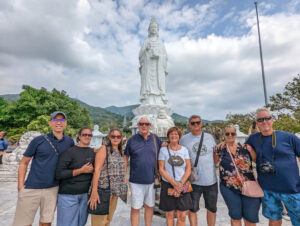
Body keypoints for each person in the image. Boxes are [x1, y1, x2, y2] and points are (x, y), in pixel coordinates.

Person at [12, 111, 74, 226]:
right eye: (55, 120)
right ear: (50, 123)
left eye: (61, 120)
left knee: (46, 222)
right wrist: (20, 185)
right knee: (23, 223)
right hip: (32, 187)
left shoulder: (69, 142)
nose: (58, 123)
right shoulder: (38, 140)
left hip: (53, 188)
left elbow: (77, 155)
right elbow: (24, 163)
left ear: (65, 123)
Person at [246, 107, 300, 226]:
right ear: (257, 123)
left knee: (298, 220)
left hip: (291, 188)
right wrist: (226, 142)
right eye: (260, 120)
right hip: (267, 189)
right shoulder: (253, 139)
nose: (264, 122)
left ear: (272, 120)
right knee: (274, 219)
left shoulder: (289, 137)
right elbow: (238, 150)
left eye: (267, 118)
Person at [214, 124, 261, 226]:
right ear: (224, 135)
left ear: (236, 134)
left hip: (249, 185)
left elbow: (256, 159)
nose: (230, 135)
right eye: (227, 133)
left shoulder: (245, 147)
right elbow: (214, 162)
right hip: (229, 187)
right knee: (235, 216)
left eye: (232, 133)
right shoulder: (220, 149)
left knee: (250, 218)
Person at [179, 115, 218, 226]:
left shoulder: (210, 137)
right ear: (189, 125)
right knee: (192, 209)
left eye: (198, 122)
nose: (195, 124)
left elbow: (215, 155)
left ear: (201, 123)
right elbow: (177, 152)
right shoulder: (184, 139)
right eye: (193, 123)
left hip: (211, 180)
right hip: (192, 181)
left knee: (212, 208)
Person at [124, 115, 162, 226]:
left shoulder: (156, 139)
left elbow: (163, 153)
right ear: (138, 126)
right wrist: (123, 176)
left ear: (150, 126)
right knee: (135, 208)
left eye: (146, 124)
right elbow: (125, 157)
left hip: (152, 180)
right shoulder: (132, 140)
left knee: (149, 206)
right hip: (136, 181)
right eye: (141, 124)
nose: (144, 126)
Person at [55, 127, 95, 226]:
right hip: (68, 195)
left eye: (89, 135)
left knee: (81, 223)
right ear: (79, 136)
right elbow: (59, 174)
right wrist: (81, 170)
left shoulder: (93, 152)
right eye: (84, 134)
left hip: (85, 195)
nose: (87, 137)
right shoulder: (69, 152)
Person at [88, 128, 127, 226]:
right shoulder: (104, 149)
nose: (115, 138)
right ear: (109, 137)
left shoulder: (119, 151)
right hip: (103, 190)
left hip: (114, 192)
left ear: (121, 138)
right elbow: (97, 170)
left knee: (107, 220)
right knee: (99, 222)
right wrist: (94, 191)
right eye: (113, 136)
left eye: (118, 136)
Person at [158, 127, 193, 226]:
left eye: (176, 134)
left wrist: (180, 184)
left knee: (182, 215)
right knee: (169, 214)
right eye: (171, 134)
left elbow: (188, 168)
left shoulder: (184, 150)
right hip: (168, 184)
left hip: (183, 184)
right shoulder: (163, 150)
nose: (174, 136)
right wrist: (174, 184)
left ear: (179, 136)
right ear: (168, 136)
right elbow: (161, 169)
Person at [139, 18, 168, 105]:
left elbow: (165, 56)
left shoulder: (160, 43)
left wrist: (159, 56)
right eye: (152, 27)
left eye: (155, 27)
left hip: (157, 67)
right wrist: (146, 51)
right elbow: (140, 55)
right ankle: (147, 99)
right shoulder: (146, 42)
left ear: (158, 30)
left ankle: (159, 100)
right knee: (147, 83)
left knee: (158, 83)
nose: (153, 29)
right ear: (149, 30)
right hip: (148, 66)